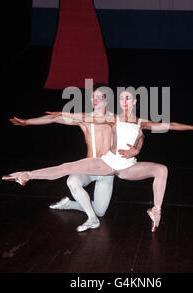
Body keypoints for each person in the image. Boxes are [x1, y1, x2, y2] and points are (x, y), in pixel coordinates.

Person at [3, 89, 193, 232]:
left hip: (126, 168)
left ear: (136, 101)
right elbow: (68, 117)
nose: (125, 101)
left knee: (162, 170)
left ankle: (156, 210)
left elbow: (171, 125)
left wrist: (191, 127)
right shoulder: (113, 118)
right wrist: (36, 119)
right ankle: (26, 175)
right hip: (107, 163)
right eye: (122, 99)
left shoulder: (142, 124)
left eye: (128, 98)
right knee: (68, 169)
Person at [8, 83, 145, 232]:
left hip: (107, 170)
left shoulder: (117, 120)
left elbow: (139, 132)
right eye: (93, 97)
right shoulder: (84, 119)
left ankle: (70, 204)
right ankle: (92, 219)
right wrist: (27, 122)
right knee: (72, 181)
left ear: (107, 100)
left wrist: (136, 150)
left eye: (99, 97)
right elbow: (54, 118)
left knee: (100, 211)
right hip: (89, 166)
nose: (95, 100)